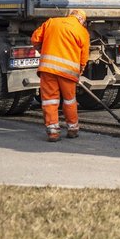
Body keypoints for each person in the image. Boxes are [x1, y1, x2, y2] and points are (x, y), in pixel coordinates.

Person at [31, 9, 90, 142]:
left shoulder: (52, 22)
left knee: (50, 100)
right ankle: (73, 129)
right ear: (81, 20)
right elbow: (84, 57)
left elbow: (35, 38)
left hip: (48, 70)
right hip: (68, 73)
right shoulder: (82, 31)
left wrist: (42, 49)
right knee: (69, 100)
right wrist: (79, 71)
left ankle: (52, 131)